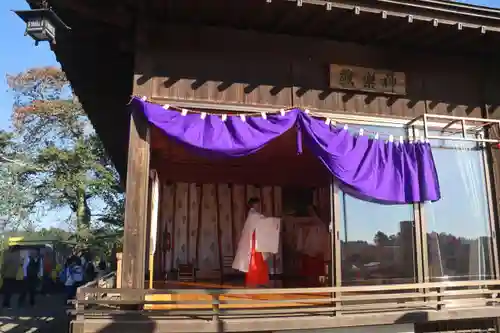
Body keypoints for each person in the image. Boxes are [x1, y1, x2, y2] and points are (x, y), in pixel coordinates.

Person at [232, 197, 281, 287]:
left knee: (258, 263)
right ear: (253, 205)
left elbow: (263, 222)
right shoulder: (253, 214)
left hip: (256, 241)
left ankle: (259, 282)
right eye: (257, 204)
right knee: (254, 263)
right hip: (254, 243)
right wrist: (275, 221)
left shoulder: (253, 214)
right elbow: (265, 221)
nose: (259, 206)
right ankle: (254, 282)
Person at [296, 205, 329, 286]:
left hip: (316, 253)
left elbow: (324, 240)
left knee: (316, 275)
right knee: (309, 276)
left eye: (311, 211)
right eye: (309, 211)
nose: (310, 213)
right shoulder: (308, 224)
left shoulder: (319, 224)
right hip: (309, 252)